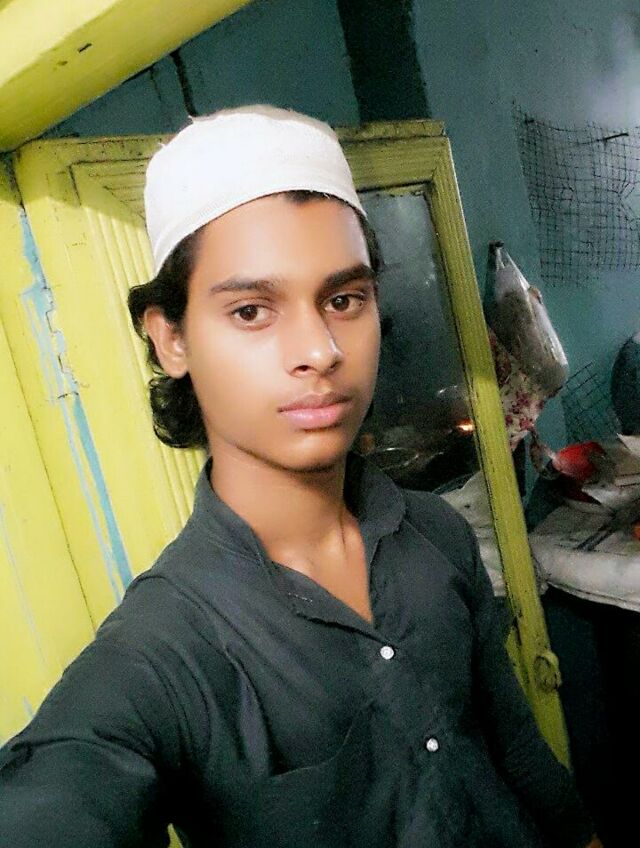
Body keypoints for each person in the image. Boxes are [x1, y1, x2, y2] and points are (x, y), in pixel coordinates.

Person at [0, 105, 602, 847]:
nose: (320, 349)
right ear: (171, 338)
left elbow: (515, 749)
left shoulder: (436, 533)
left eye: (344, 300)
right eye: (252, 311)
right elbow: (62, 786)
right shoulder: (165, 650)